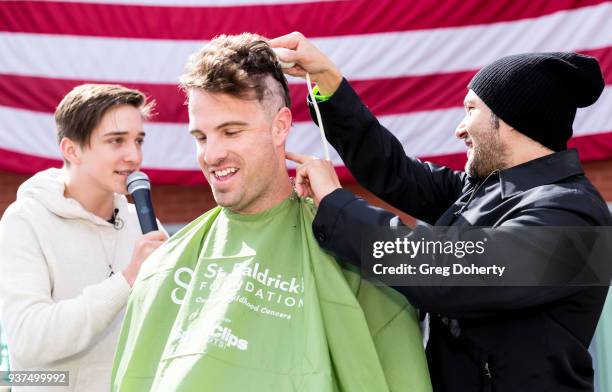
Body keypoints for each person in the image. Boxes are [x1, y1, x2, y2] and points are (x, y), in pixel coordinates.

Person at [270, 32, 612, 391]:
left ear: (512, 120)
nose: (459, 128)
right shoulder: (481, 191)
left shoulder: (575, 216)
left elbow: (451, 272)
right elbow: (392, 170)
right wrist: (327, 80)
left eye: (471, 109)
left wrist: (336, 204)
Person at [111, 33, 431, 392]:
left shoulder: (354, 263)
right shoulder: (164, 266)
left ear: (280, 126)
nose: (211, 154)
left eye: (231, 131)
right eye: (201, 137)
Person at [0, 84, 168, 391]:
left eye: (138, 141)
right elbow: (28, 342)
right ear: (71, 149)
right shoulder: (24, 221)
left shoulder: (144, 224)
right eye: (116, 141)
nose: (134, 155)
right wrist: (126, 280)